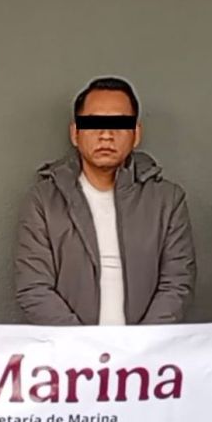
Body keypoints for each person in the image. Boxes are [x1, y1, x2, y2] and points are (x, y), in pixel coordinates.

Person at [15, 77, 195, 325]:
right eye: (94, 124)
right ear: (75, 133)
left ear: (136, 134)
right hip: (70, 349)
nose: (106, 135)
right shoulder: (43, 201)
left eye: (119, 125)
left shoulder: (168, 200)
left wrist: (141, 344)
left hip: (147, 349)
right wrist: (86, 345)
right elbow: (34, 288)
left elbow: (177, 284)